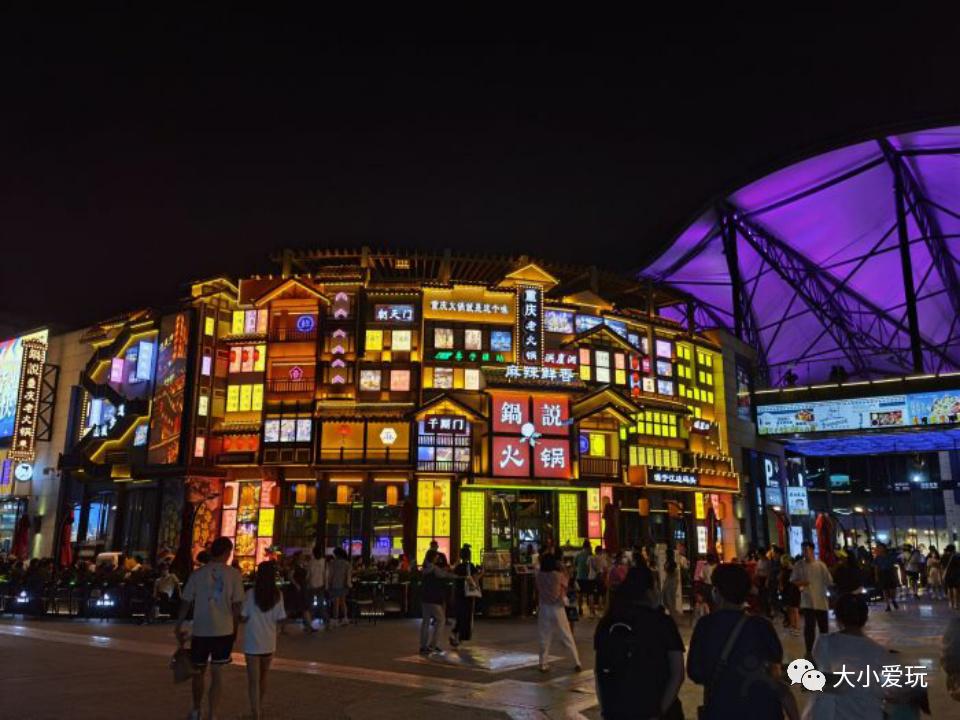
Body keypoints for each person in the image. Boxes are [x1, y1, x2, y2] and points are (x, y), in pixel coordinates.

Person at [688, 563, 797, 720]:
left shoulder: (706, 626)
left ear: (716, 592)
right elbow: (776, 675)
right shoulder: (762, 625)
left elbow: (696, 672)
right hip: (765, 710)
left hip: (722, 710)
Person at [594, 565, 685, 719]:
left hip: (619, 709)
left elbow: (599, 672)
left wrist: (606, 710)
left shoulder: (607, 622)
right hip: (654, 705)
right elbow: (678, 673)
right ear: (649, 591)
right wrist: (659, 712)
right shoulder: (662, 622)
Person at [803, 593, 909, 720]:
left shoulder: (824, 643)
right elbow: (889, 693)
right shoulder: (879, 652)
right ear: (865, 618)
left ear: (838, 617)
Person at [175, 536, 245, 720]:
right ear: (227, 552)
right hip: (224, 630)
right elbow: (237, 606)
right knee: (217, 672)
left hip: (201, 630)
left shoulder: (198, 574)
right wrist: (235, 627)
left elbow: (186, 601)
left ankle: (197, 709)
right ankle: (213, 713)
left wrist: (179, 623)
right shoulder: (234, 575)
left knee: (198, 671)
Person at [240, 561, 287, 720]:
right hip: (269, 641)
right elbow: (280, 618)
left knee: (253, 681)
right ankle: (259, 706)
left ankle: (256, 713)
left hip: (253, 642)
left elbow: (244, 616)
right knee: (263, 678)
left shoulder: (251, 594)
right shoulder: (277, 595)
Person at [535, 551, 582, 672]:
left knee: (544, 636)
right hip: (557, 607)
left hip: (544, 607)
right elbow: (567, 581)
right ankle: (576, 661)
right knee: (566, 634)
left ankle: (543, 664)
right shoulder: (558, 575)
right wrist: (562, 567)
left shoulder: (539, 575)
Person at [791, 541, 832, 658]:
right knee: (809, 627)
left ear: (812, 550)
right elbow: (793, 580)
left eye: (807, 550)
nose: (805, 552)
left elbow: (829, 581)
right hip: (807, 601)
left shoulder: (821, 565)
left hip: (821, 601)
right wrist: (801, 583)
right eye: (803, 550)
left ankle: (825, 648)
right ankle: (809, 650)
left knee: (823, 627)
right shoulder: (799, 565)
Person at [420, 549, 455, 654]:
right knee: (441, 620)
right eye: (436, 556)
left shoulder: (425, 567)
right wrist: (457, 576)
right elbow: (445, 575)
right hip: (434, 597)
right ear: (432, 557)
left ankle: (423, 645)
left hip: (425, 597)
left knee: (425, 622)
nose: (437, 558)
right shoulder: (434, 569)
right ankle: (433, 645)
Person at [450, 545, 482, 647]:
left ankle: (455, 635)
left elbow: (454, 579)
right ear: (469, 556)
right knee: (466, 616)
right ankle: (460, 637)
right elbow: (475, 578)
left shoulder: (458, 567)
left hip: (458, 594)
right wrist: (482, 573)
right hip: (468, 595)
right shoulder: (470, 566)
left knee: (459, 615)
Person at [302, 543, 328, 632]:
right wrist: (326, 585)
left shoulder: (311, 562)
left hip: (311, 586)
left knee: (310, 605)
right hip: (320, 585)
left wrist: (306, 582)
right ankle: (326, 622)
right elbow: (325, 575)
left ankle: (308, 623)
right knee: (321, 604)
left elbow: (308, 575)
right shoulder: (323, 562)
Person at [327, 547, 352, 627]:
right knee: (343, 602)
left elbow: (330, 575)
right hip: (344, 585)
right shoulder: (347, 563)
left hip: (335, 584)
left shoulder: (333, 563)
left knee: (336, 603)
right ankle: (345, 618)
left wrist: (328, 584)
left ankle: (335, 619)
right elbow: (348, 575)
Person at [574, 541, 597, 618]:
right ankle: (591, 611)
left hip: (579, 576)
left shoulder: (578, 554)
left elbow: (575, 564)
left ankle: (580, 609)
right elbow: (594, 567)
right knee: (590, 594)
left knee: (580, 594)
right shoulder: (591, 555)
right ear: (588, 547)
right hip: (589, 577)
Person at [874, 543, 900, 611]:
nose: (879, 549)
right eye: (878, 548)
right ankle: (888, 605)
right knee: (884, 590)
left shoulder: (890, 556)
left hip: (890, 573)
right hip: (882, 573)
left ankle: (893, 600)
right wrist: (876, 576)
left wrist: (896, 575)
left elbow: (894, 565)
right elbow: (876, 567)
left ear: (884, 548)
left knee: (892, 589)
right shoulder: (877, 558)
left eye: (880, 547)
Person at [943, 544, 960, 610]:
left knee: (950, 589)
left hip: (948, 574)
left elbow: (942, 565)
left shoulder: (945, 556)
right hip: (956, 574)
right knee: (956, 589)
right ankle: (956, 604)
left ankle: (951, 603)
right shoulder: (957, 556)